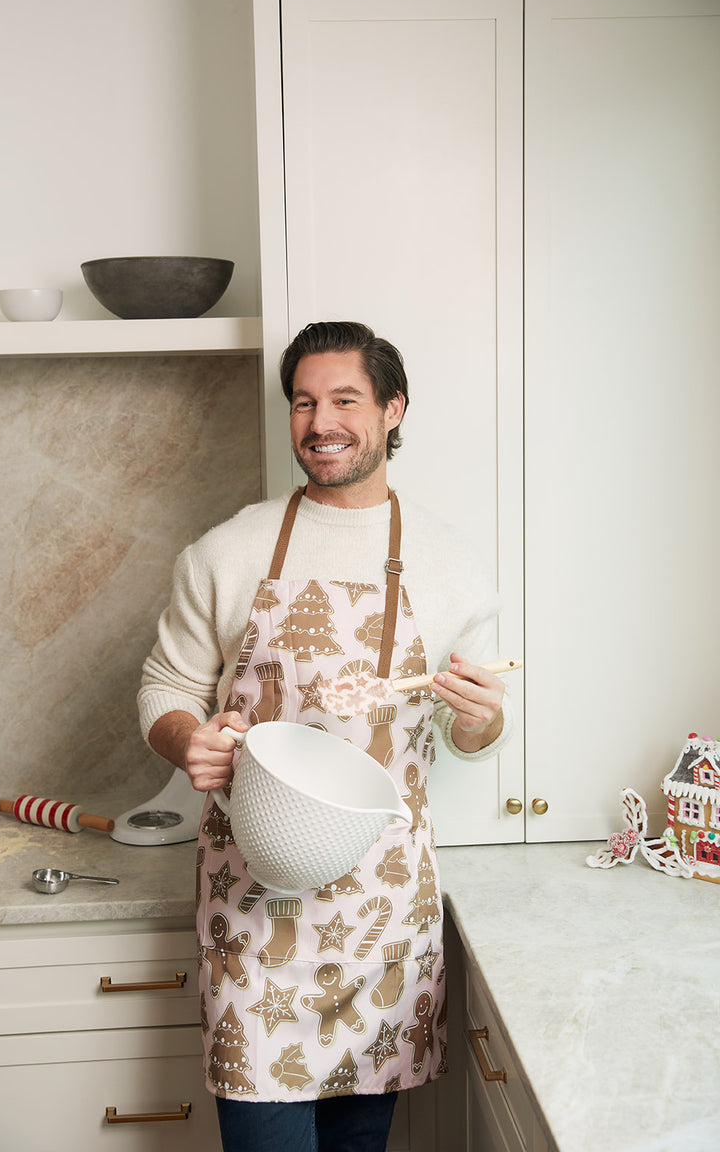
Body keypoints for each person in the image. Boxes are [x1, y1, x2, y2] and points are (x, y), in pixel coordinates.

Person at [138, 320, 513, 1152]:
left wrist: (484, 721)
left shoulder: (451, 562)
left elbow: (471, 732)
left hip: (381, 919)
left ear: (392, 411)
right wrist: (183, 740)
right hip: (253, 917)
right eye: (304, 402)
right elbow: (168, 688)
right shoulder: (229, 549)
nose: (321, 421)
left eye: (345, 398)